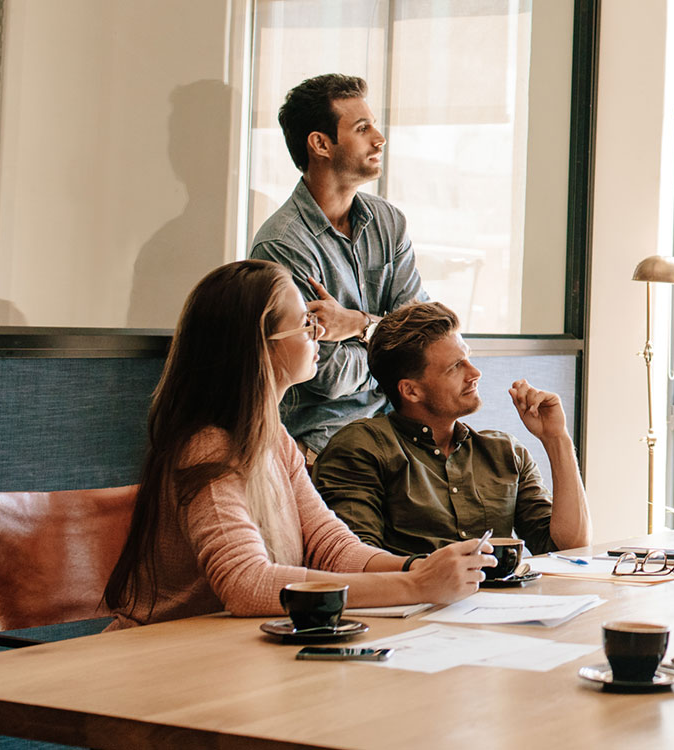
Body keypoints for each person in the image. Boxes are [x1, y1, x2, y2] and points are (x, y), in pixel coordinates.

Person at [104, 260, 488, 630]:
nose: (319, 332)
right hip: (161, 660)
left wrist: (418, 567)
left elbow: (333, 549)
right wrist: (415, 586)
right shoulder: (209, 448)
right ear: (262, 346)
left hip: (224, 653)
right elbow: (247, 585)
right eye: (306, 323)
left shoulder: (273, 438)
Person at [313, 301, 592, 558]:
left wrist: (556, 439)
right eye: (456, 367)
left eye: (468, 358)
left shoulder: (505, 452)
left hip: (500, 608)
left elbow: (569, 549)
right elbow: (355, 559)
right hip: (413, 608)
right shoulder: (361, 448)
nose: (475, 373)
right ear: (411, 390)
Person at [249, 73, 427, 459]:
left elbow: (425, 336)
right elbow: (325, 376)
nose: (379, 139)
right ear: (320, 144)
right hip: (323, 447)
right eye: (363, 128)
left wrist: (360, 324)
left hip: (397, 433)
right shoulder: (283, 245)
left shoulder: (388, 222)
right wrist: (392, 350)